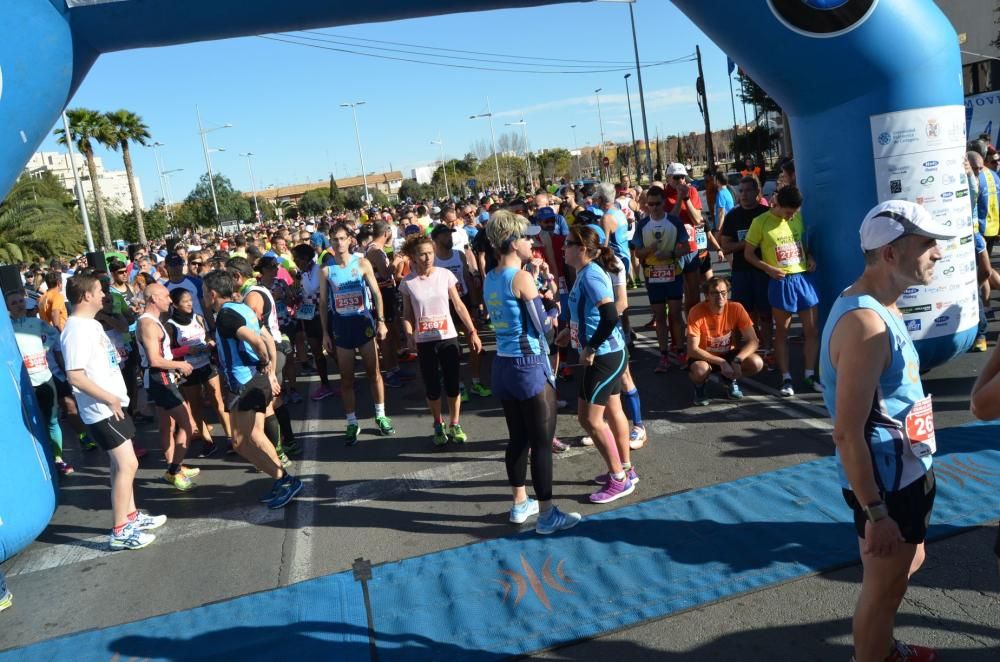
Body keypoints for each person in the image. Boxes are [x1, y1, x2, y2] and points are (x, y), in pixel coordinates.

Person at [821, 200, 952, 662]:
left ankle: (880, 648)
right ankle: (873, 655)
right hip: (888, 483)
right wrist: (876, 512)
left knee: (908, 562)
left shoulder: (878, 305)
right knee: (881, 589)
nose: (938, 253)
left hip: (906, 468)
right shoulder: (865, 324)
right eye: (927, 243)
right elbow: (846, 433)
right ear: (891, 254)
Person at [484, 210, 581, 534]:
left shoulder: (491, 276)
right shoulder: (520, 277)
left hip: (502, 366)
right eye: (527, 237)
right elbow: (544, 328)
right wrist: (553, 306)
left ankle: (519, 502)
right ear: (512, 242)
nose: (532, 242)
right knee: (541, 444)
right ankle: (547, 514)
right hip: (529, 367)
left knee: (517, 439)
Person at [60, 272, 166, 550]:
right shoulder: (75, 329)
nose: (104, 295)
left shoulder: (91, 325)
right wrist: (109, 399)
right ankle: (120, 529)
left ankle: (131, 517)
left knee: (122, 463)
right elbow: (75, 376)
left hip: (113, 404)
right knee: (127, 464)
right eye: (98, 291)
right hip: (102, 409)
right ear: (86, 296)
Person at [203, 269, 303, 509]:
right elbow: (267, 336)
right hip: (255, 381)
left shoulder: (226, 316)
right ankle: (282, 480)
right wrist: (268, 373)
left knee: (240, 441)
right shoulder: (243, 308)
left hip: (245, 383)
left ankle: (286, 479)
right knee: (252, 436)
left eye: (205, 292)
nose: (203, 297)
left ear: (213, 294)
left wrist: (265, 363)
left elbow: (257, 340)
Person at [558, 225, 636, 504]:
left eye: (567, 244)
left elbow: (610, 316)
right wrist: (571, 330)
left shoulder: (591, 275)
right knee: (606, 412)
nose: (562, 248)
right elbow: (589, 314)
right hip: (603, 354)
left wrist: (590, 346)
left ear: (581, 249)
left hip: (604, 356)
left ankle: (619, 479)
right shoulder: (584, 273)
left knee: (590, 419)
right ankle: (625, 468)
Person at [400, 233, 482, 445]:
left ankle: (455, 424)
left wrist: (472, 331)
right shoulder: (408, 282)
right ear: (414, 257)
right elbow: (407, 314)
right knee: (433, 388)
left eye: (430, 253)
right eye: (422, 254)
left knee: (453, 385)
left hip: (448, 337)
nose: (427, 258)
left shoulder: (445, 275)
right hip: (424, 341)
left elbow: (458, 305)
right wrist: (409, 335)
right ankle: (438, 423)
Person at [318, 222, 395, 445]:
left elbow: (377, 293)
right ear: (330, 243)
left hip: (364, 323)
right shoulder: (326, 270)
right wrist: (325, 333)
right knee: (346, 378)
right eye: (335, 240)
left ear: (350, 240)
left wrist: (381, 321)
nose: (339, 243)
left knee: (374, 373)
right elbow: (323, 304)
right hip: (341, 327)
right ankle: (352, 422)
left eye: (343, 238)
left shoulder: (362, 263)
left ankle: (380, 415)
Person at [743, 185, 821, 396]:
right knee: (782, 332)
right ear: (778, 205)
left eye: (795, 212)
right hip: (781, 281)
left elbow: (801, 244)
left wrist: (810, 257)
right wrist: (768, 268)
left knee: (812, 330)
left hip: (802, 278)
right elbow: (748, 254)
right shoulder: (760, 222)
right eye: (788, 212)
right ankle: (786, 378)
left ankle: (809, 374)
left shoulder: (797, 218)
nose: (792, 216)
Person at [137, 283, 198, 491]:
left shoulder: (154, 321)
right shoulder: (148, 324)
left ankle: (175, 465)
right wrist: (179, 364)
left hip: (164, 377)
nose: (170, 300)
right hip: (160, 379)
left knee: (167, 425)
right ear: (153, 298)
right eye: (165, 296)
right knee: (189, 425)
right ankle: (173, 471)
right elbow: (154, 360)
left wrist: (174, 367)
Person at [7, 288, 74, 475]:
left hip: (45, 377)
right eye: (14, 303)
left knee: (53, 420)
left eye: (20, 301)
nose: (19, 305)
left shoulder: (35, 323)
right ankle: (40, 461)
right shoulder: (6, 330)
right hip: (25, 384)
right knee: (32, 423)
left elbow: (53, 334)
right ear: (7, 308)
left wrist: (45, 347)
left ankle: (58, 459)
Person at [166, 288, 231, 458]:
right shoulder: (171, 326)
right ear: (175, 305)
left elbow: (209, 336)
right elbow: (169, 352)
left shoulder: (199, 318)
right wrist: (187, 349)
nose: (189, 304)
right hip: (188, 369)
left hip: (207, 365)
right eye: (184, 301)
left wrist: (210, 343)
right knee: (196, 406)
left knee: (218, 401)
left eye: (190, 300)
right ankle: (207, 441)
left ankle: (231, 438)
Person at [431, 223, 491, 401]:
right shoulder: (433, 260)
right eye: (444, 235)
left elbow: (468, 280)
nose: (449, 238)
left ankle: (476, 381)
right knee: (452, 348)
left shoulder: (459, 255)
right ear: (435, 239)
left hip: (463, 301)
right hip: (443, 305)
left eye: (450, 234)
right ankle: (458, 384)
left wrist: (475, 305)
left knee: (474, 342)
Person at [633, 186, 690, 373]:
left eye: (657, 204)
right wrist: (649, 249)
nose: (654, 208)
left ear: (664, 203)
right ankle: (664, 355)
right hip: (653, 276)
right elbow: (637, 252)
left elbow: (685, 246)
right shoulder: (642, 225)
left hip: (673, 273)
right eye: (650, 204)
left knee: (675, 314)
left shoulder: (674, 221)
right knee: (659, 317)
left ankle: (680, 350)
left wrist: (671, 253)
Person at [719, 176, 775, 367]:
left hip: (764, 271)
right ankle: (740, 350)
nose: (743, 194)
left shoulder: (767, 214)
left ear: (757, 193)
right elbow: (725, 246)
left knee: (766, 312)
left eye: (748, 190)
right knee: (743, 314)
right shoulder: (733, 216)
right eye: (741, 191)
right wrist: (748, 243)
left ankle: (768, 349)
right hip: (742, 271)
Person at [686, 276, 764, 405]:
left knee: (756, 363)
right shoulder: (696, 311)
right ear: (706, 295)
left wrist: (737, 360)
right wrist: (721, 362)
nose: (720, 297)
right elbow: (692, 349)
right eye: (715, 293)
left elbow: (753, 341)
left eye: (723, 293)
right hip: (704, 356)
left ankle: (728, 379)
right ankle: (699, 387)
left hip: (728, 354)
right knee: (700, 370)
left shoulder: (736, 308)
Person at [291, 243, 336, 400]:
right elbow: (304, 294)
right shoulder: (301, 274)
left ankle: (348, 379)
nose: (295, 261)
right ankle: (325, 385)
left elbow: (324, 292)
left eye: (296, 258)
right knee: (317, 351)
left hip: (325, 315)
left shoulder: (320, 269)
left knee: (332, 350)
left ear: (304, 257)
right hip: (309, 318)